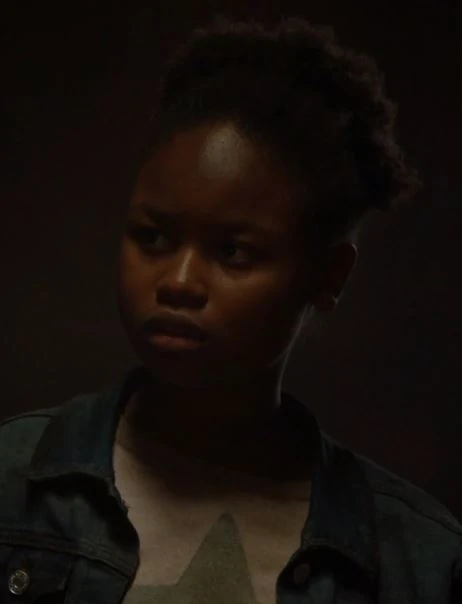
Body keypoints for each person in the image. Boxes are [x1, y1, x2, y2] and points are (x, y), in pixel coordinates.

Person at [0, 14, 460, 604]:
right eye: (154, 238)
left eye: (233, 251)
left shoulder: (418, 562)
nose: (179, 281)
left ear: (329, 276)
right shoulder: (12, 481)